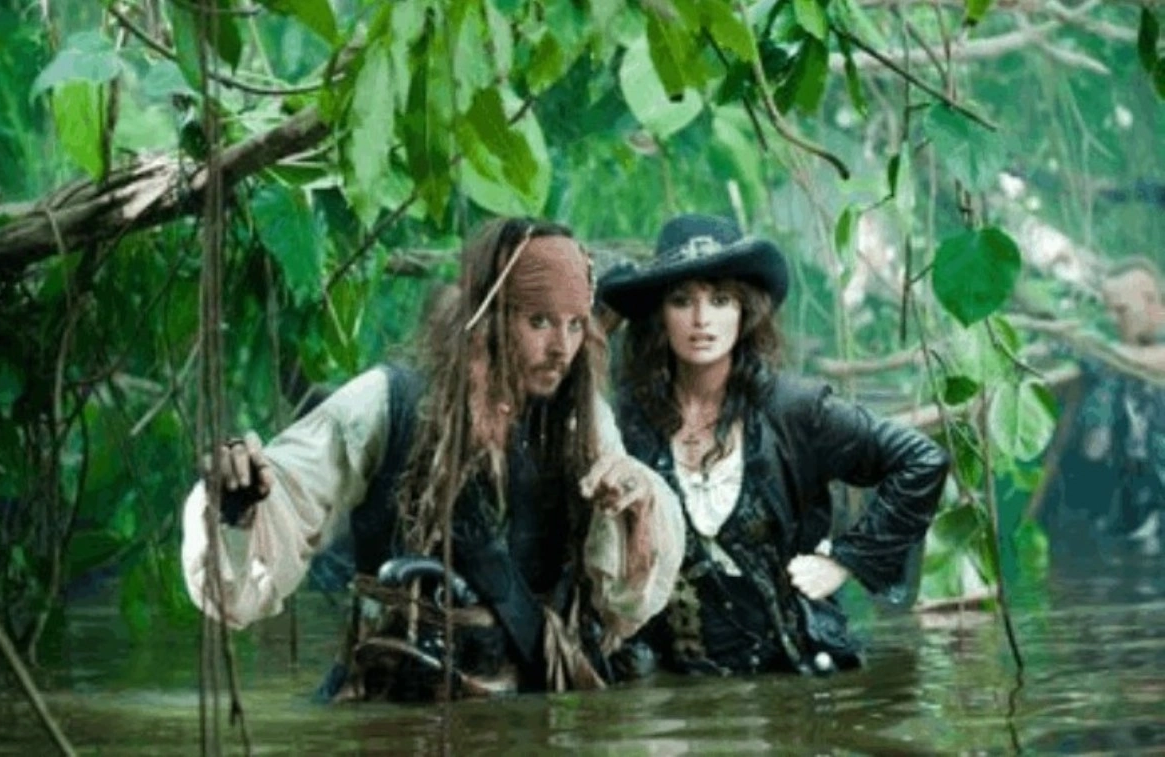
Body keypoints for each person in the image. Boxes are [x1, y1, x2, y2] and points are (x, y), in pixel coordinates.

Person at [180, 217, 685, 701]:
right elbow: (286, 491)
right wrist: (238, 504)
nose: (561, 348)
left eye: (575, 325)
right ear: (488, 318)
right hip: (398, 702)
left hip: (526, 704)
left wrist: (634, 505)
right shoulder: (387, 402)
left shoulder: (581, 420)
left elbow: (624, 606)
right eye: (539, 321)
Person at [597, 213, 949, 676]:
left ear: (744, 311)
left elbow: (922, 460)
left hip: (797, 675)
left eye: (720, 300)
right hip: (677, 688)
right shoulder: (626, 423)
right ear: (660, 316)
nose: (701, 319)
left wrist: (846, 560)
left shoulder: (795, 409)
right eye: (682, 301)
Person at [1040, 258, 1165, 552]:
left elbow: (1149, 361)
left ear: (1151, 302)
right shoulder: (1114, 362)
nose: (1113, 319)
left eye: (1121, 310)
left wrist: (1093, 348)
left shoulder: (1127, 356)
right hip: (1131, 511)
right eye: (1109, 310)